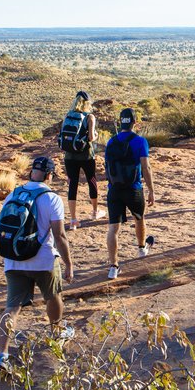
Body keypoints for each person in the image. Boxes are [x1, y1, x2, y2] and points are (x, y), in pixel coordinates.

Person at [0, 156, 74, 372]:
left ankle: (2, 356)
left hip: (13, 259)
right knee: (53, 296)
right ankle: (57, 334)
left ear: (32, 173)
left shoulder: (13, 194)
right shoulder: (52, 198)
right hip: (43, 259)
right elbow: (60, 236)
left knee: (12, 307)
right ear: (49, 175)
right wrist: (68, 264)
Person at [104, 108, 155, 279]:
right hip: (133, 188)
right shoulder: (140, 141)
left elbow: (107, 166)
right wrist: (151, 190)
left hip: (114, 189)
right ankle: (141, 249)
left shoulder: (111, 141)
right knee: (139, 217)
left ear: (121, 122)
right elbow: (146, 167)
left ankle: (113, 267)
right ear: (135, 122)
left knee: (113, 228)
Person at [58, 90, 105, 229]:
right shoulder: (89, 117)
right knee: (91, 180)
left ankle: (73, 220)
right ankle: (95, 212)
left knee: (72, 184)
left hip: (69, 156)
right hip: (86, 155)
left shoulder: (68, 115)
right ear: (87, 103)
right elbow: (91, 137)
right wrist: (96, 135)